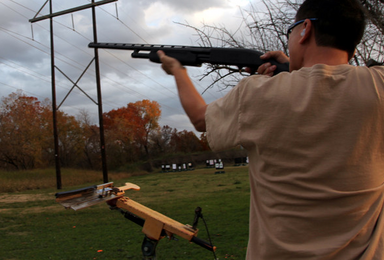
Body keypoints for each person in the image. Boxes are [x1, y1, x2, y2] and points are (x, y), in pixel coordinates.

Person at [158, 0, 384, 258]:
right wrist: (294, 66)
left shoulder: (256, 92)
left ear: (306, 29)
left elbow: (201, 120)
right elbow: (331, 83)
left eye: (291, 32)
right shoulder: (378, 85)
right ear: (353, 49)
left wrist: (177, 71)